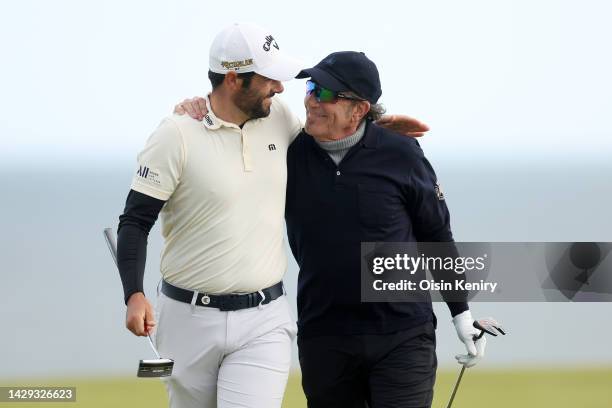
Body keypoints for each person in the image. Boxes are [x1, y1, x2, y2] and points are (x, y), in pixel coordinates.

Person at [118, 23, 426, 408]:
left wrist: (375, 129)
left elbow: (332, 137)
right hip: (186, 318)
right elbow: (134, 221)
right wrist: (134, 293)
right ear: (233, 79)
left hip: (264, 318)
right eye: (269, 79)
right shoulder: (176, 135)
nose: (281, 88)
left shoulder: (278, 117)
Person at [177, 51, 494, 408]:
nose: (310, 100)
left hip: (402, 335)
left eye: (326, 94)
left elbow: (436, 237)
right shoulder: (288, 154)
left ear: (358, 109)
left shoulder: (402, 154)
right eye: (311, 88)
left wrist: (461, 314)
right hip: (325, 337)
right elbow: (233, 141)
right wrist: (200, 107)